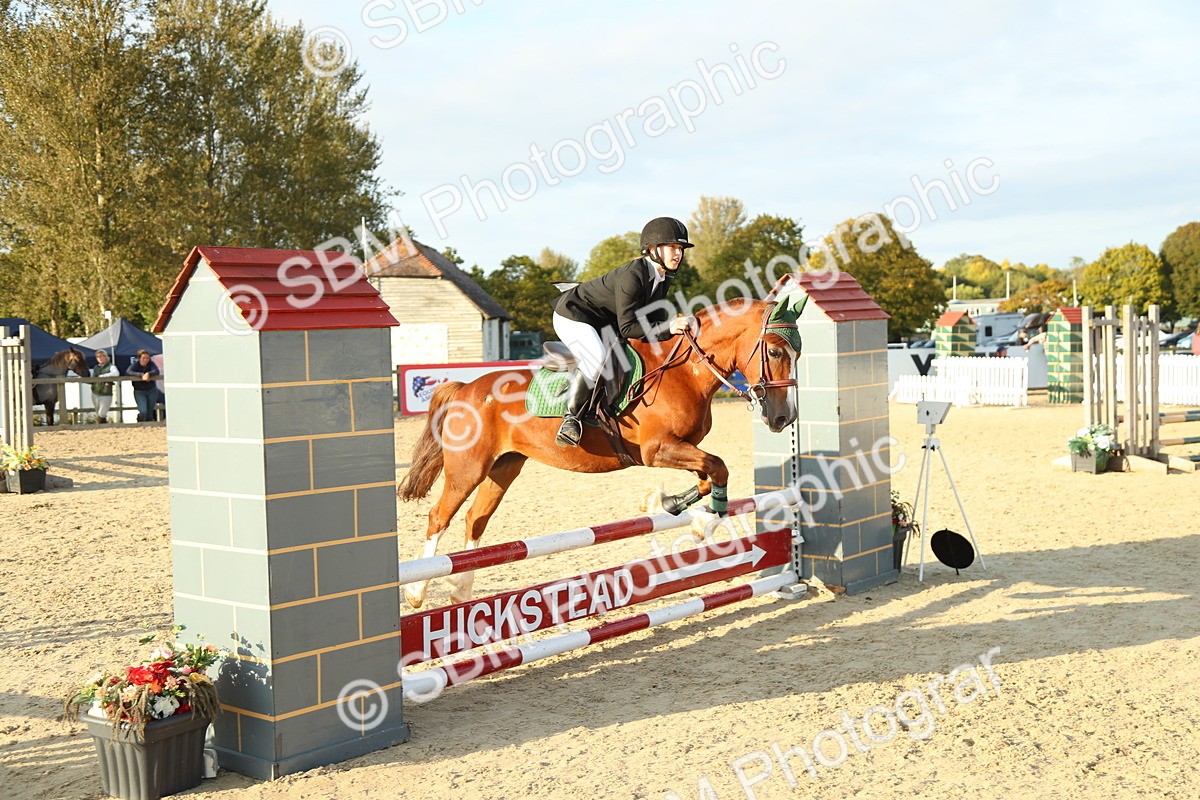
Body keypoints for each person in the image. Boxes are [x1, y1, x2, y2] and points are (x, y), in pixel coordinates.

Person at [551, 216, 699, 447]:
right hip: (573, 315)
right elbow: (629, 327)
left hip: (603, 321)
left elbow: (652, 319)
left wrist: (674, 325)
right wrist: (668, 327)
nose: (678, 254)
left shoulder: (661, 278)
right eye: (673, 247)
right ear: (653, 249)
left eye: (680, 248)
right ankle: (571, 420)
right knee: (598, 357)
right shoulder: (633, 275)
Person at [125, 348, 161, 422]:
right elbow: (128, 372)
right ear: (139, 358)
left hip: (152, 390)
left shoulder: (151, 364)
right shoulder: (135, 365)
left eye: (147, 358)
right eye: (143, 358)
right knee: (143, 410)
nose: (145, 360)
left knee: (150, 411)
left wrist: (148, 374)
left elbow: (156, 371)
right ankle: (140, 419)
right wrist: (141, 375)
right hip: (139, 391)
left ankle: (148, 426)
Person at [90, 349, 119, 423]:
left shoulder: (111, 366)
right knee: (98, 412)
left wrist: (104, 376)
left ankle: (100, 424)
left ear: (106, 357)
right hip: (95, 392)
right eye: (98, 356)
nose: (100, 358)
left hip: (106, 392)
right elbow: (93, 378)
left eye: (102, 356)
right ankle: (103, 426)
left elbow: (116, 373)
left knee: (101, 413)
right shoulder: (96, 367)